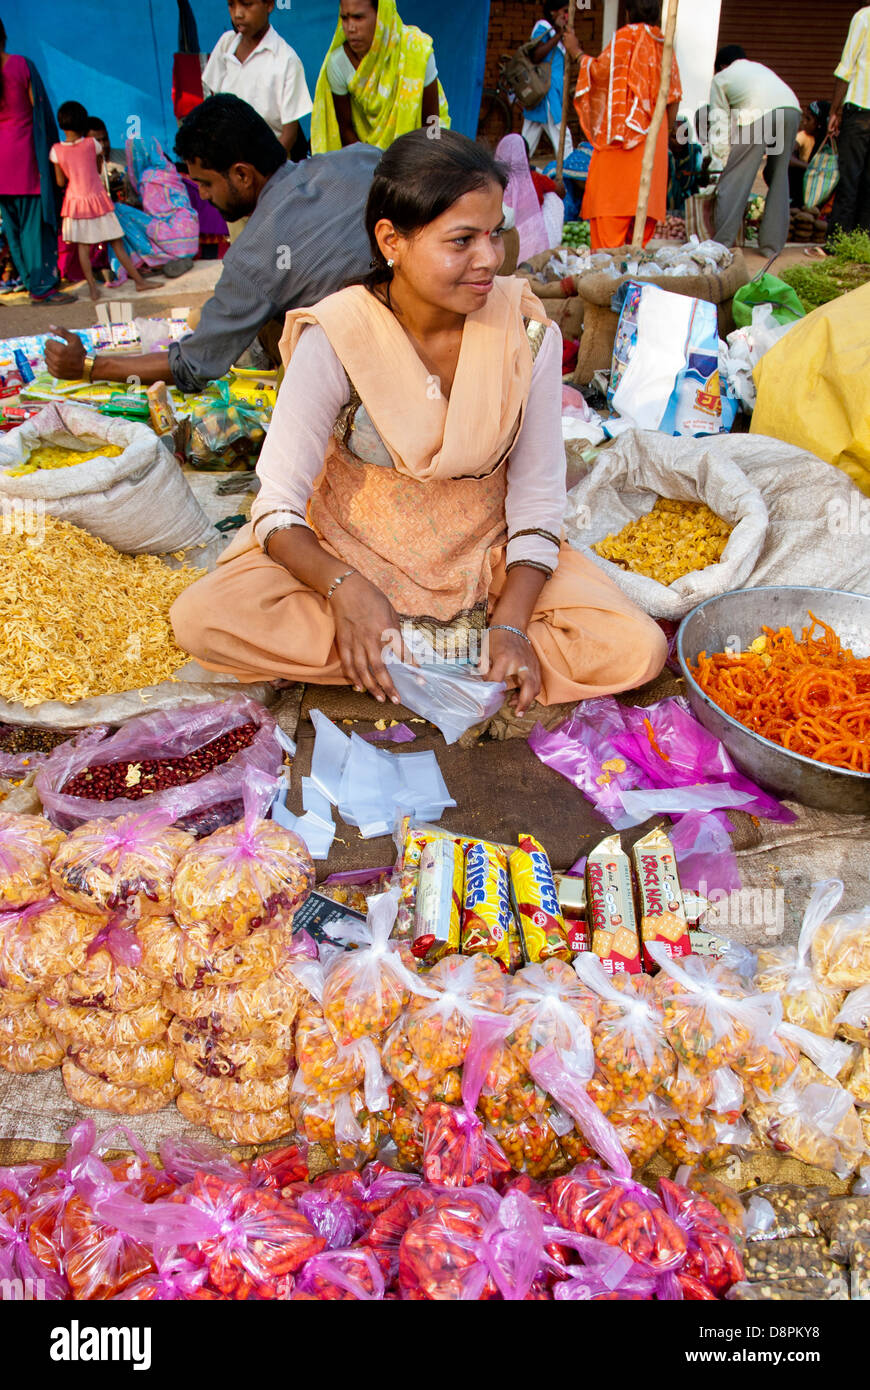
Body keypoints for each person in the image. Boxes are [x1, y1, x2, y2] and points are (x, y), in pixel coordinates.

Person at [170, 129, 666, 714]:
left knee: (637, 649)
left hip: (487, 563)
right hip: (350, 553)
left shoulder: (527, 334)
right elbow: (277, 505)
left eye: (494, 233)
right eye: (462, 241)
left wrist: (509, 624)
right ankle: (438, 658)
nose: (489, 259)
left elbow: (536, 503)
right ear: (391, 240)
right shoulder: (339, 335)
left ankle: (409, 659)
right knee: (205, 620)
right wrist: (343, 589)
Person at [44, 95, 380, 392]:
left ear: (242, 175)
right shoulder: (361, 158)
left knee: (259, 322)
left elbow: (194, 366)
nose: (202, 196)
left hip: (364, 380)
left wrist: (89, 366)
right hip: (417, 346)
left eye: (205, 184)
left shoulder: (253, 257)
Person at [573, 0, 682, 251]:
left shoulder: (624, 37)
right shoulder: (663, 44)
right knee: (639, 227)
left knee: (608, 213)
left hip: (621, 140)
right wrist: (664, 134)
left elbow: (600, 73)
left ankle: (608, 278)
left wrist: (577, 53)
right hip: (654, 138)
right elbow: (673, 98)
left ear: (627, 12)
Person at [49, 100, 156, 301]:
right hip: (98, 199)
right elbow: (99, 169)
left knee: (82, 247)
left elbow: (60, 181)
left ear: (61, 124)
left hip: (75, 203)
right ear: (83, 123)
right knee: (116, 241)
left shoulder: (56, 150)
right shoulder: (92, 144)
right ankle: (139, 281)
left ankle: (92, 288)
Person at [311, 0, 448, 153]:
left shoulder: (417, 51)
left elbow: (432, 122)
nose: (350, 28)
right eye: (344, 18)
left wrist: (430, 160)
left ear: (382, 17)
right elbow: (345, 129)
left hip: (416, 155)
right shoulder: (339, 63)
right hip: (366, 158)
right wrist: (374, 163)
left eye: (358, 17)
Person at [0, 18, 73, 304]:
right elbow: (37, 108)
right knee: (33, 224)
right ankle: (42, 288)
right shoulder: (20, 65)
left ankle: (31, 281)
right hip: (23, 157)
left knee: (13, 227)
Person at [708, 45, 801, 257]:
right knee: (779, 176)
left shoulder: (721, 78)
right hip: (792, 110)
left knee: (735, 178)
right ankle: (771, 247)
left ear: (722, 65)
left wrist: (721, 160)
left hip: (758, 112)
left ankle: (722, 244)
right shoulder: (758, 68)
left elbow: (719, 125)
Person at [202, 0, 311, 157]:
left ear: (269, 5)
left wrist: (263, 173)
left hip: (270, 165)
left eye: (247, 4)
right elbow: (213, 105)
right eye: (231, 4)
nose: (238, 14)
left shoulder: (286, 60)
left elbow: (289, 135)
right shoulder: (226, 44)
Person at [828, 6, 870, 239]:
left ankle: (837, 241)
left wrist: (835, 110)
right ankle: (863, 242)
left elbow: (846, 67)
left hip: (860, 111)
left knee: (849, 177)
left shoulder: (864, 16)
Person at [522, 3, 578, 161]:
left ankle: (514, 176)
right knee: (563, 138)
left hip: (549, 94)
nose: (567, 15)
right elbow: (536, 55)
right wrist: (558, 35)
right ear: (553, 12)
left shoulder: (559, 33)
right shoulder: (543, 27)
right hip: (547, 93)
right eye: (564, 11)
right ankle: (569, 176)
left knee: (526, 143)